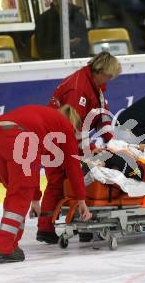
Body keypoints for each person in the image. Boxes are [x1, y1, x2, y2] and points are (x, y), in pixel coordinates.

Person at [0, 105, 92, 263]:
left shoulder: (46, 118)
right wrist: (81, 200)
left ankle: (11, 243)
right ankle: (4, 248)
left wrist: (35, 199)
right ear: (75, 126)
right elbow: (73, 167)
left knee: (16, 194)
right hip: (20, 137)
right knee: (20, 195)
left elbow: (32, 167)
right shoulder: (65, 127)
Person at [36, 51, 121, 244]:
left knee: (80, 179)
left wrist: (112, 142)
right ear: (100, 71)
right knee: (58, 182)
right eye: (109, 75)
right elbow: (73, 126)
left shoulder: (95, 85)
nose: (110, 80)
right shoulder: (77, 89)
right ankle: (45, 228)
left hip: (66, 138)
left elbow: (102, 116)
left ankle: (83, 224)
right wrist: (90, 148)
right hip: (56, 140)